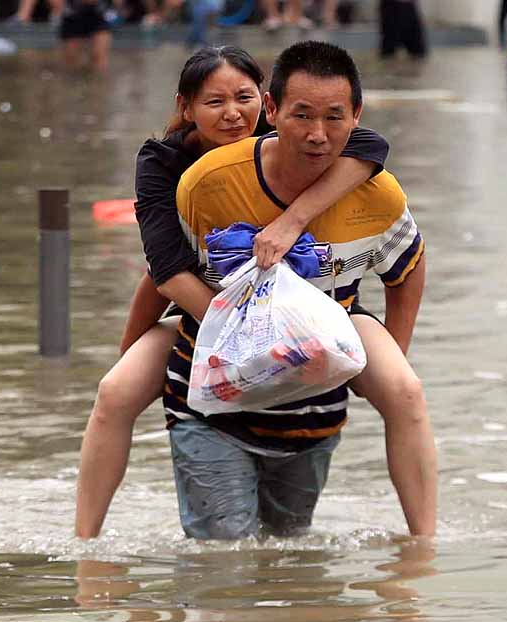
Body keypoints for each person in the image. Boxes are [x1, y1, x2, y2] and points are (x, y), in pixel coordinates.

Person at [73, 44, 436, 540]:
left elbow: (369, 147)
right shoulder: (176, 170)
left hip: (317, 308)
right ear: (186, 108)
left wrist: (294, 219)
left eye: (242, 98)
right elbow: (162, 273)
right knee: (115, 390)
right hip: (205, 308)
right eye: (214, 102)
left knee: (405, 389)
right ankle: (86, 543)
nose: (231, 114)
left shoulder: (306, 140)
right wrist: (247, 330)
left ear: (262, 103)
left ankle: (423, 545)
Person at [17, 0, 119, 70]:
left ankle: (98, 85)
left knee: (99, 56)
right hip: (72, 17)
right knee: (71, 62)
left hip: (98, 16)